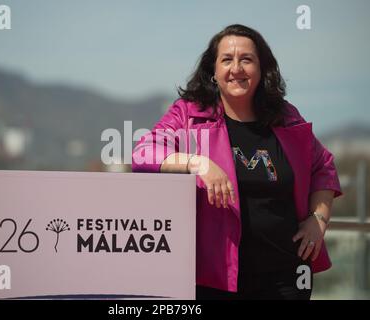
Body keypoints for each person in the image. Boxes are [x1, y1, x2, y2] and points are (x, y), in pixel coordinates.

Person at [131, 24, 342, 300]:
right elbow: (144, 152)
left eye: (247, 59)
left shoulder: (286, 116)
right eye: (227, 59)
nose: (236, 68)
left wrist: (318, 219)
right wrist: (198, 163)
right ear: (213, 71)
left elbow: (323, 166)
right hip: (216, 276)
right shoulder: (188, 114)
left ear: (261, 69)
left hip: (288, 273)